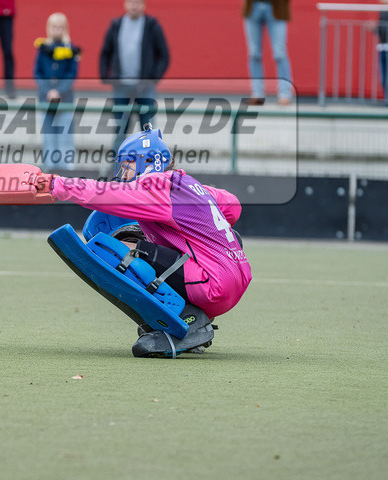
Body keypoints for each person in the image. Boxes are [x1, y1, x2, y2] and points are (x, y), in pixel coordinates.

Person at [32, 124, 251, 356]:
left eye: (127, 165)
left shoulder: (156, 186)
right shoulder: (191, 185)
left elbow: (103, 193)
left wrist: (54, 185)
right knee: (142, 243)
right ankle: (190, 318)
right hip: (235, 276)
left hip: (212, 285)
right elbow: (232, 206)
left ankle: (186, 326)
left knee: (108, 248)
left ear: (148, 162)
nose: (123, 174)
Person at [99, 0, 171, 142]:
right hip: (121, 87)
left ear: (144, 5)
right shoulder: (116, 25)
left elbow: (164, 55)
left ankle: (150, 164)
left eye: (137, 2)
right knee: (120, 128)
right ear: (125, 4)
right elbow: (106, 52)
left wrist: (152, 79)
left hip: (144, 88)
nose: (133, 5)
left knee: (148, 129)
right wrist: (107, 77)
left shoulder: (152, 26)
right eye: (131, 1)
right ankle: (117, 165)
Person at [33, 12, 80, 172]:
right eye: (54, 27)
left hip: (64, 99)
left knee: (64, 133)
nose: (57, 30)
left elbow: (71, 74)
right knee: (48, 134)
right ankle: (50, 168)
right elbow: (38, 72)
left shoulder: (70, 49)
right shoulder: (43, 48)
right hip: (46, 99)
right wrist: (48, 90)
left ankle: (66, 169)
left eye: (61, 27)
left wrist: (58, 91)